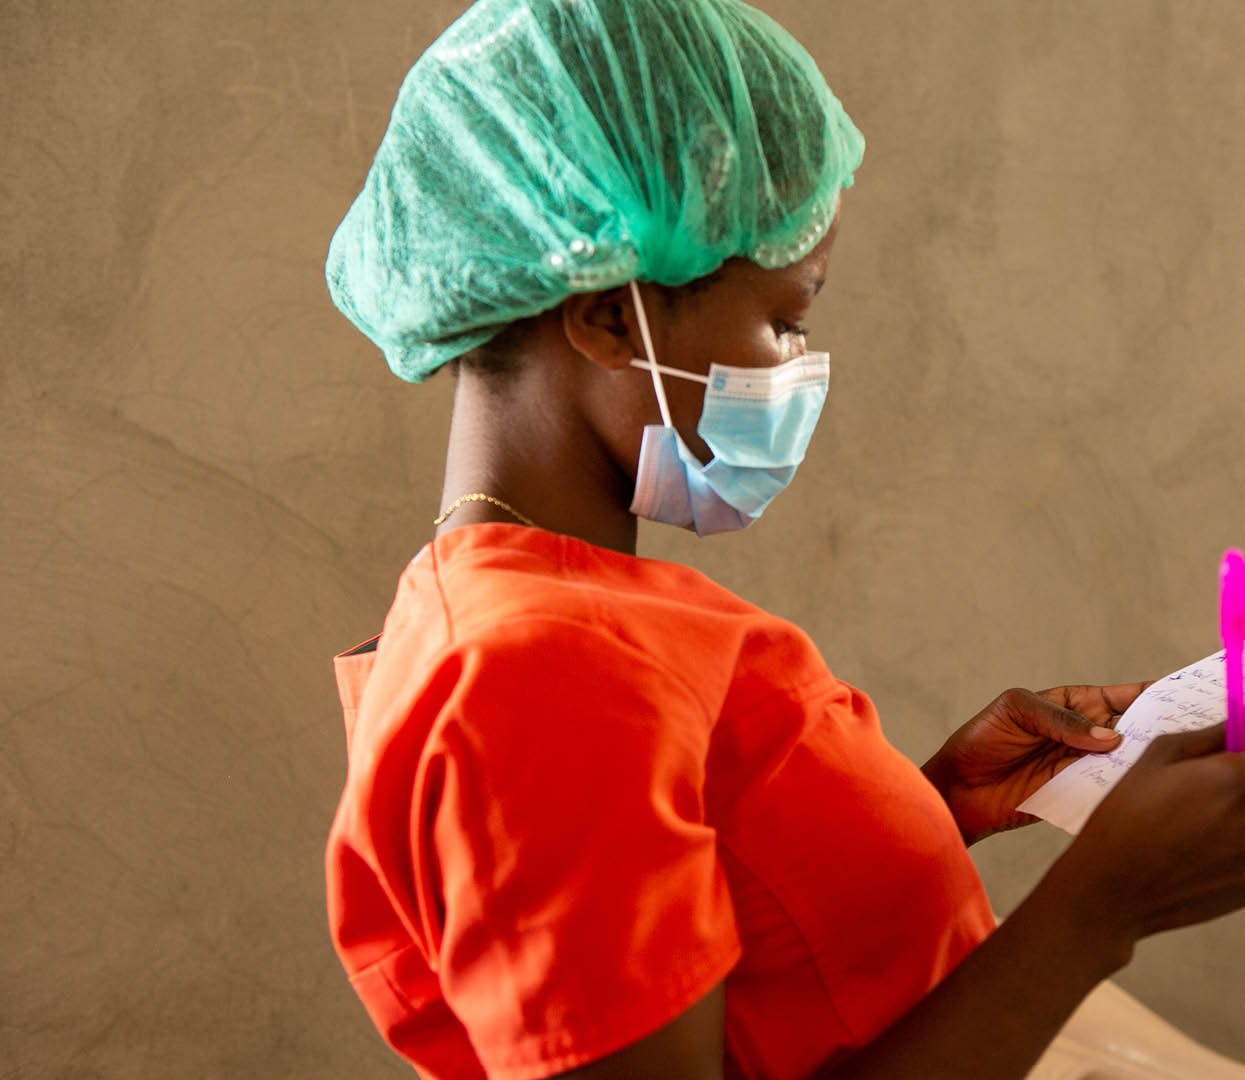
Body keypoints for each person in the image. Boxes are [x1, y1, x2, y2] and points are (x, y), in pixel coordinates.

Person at [322, 1, 1245, 1077]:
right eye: (787, 319)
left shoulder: (560, 614)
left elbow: (717, 932)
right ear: (610, 318)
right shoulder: (533, 674)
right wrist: (1097, 914)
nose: (799, 370)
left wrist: (932, 806)